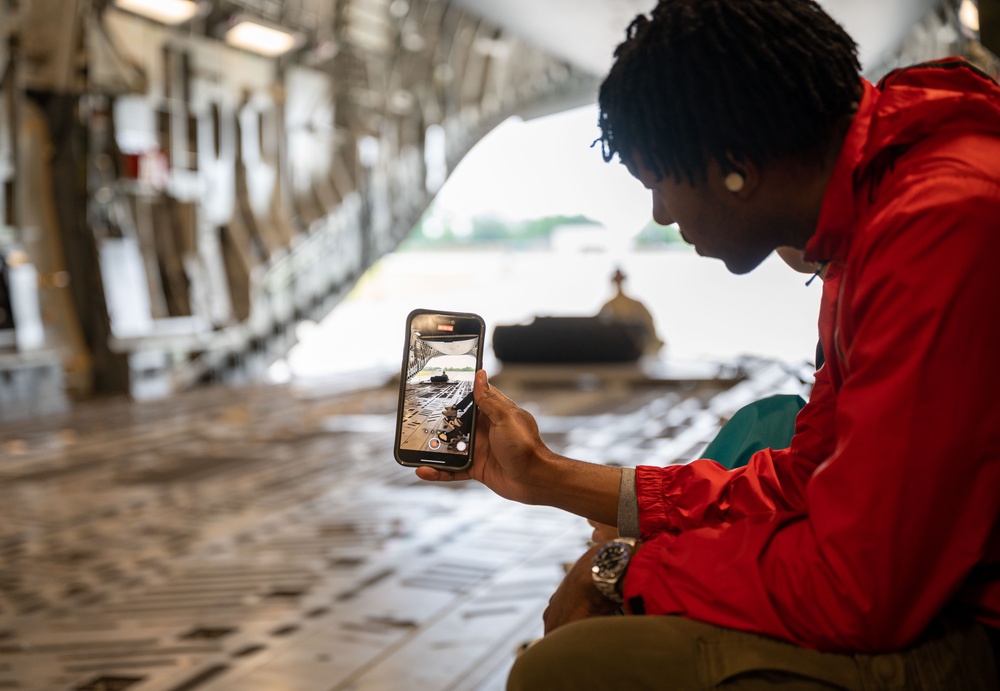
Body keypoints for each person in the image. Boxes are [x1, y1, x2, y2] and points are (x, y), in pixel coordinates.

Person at [417, 0, 1000, 687]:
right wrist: (545, 475)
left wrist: (627, 573)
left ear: (734, 167)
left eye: (659, 183)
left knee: (566, 670)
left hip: (978, 628)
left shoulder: (935, 228)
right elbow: (804, 478)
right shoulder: (878, 205)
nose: (661, 214)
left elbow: (857, 591)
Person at [596, 266, 665, 355]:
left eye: (620, 278)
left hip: (635, 345)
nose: (618, 281)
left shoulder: (637, 304)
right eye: (616, 279)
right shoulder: (609, 305)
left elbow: (649, 325)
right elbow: (597, 323)